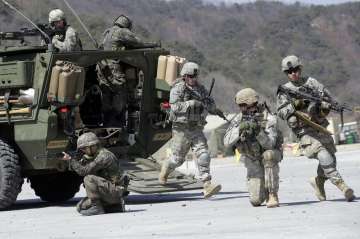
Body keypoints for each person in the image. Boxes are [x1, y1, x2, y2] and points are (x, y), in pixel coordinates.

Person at [277, 55, 355, 202]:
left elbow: (327, 99)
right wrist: (296, 105)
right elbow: (281, 112)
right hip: (304, 131)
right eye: (289, 71)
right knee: (323, 155)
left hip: (320, 126)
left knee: (330, 158)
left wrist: (328, 105)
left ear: (300, 69)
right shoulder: (284, 91)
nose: (293, 73)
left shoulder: (312, 83)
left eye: (295, 69)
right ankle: (343, 187)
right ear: (286, 73)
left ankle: (319, 181)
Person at [158, 62, 222, 199]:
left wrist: (209, 106)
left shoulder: (201, 89)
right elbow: (174, 107)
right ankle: (166, 168)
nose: (194, 79)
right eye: (191, 76)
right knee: (177, 160)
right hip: (181, 129)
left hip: (196, 127)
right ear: (185, 76)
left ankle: (207, 184)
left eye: (195, 76)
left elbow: (211, 103)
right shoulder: (178, 88)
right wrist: (190, 104)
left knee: (203, 153)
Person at [224, 88, 283, 207]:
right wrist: (239, 129)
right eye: (240, 105)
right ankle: (262, 189)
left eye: (243, 105)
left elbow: (270, 144)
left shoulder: (269, 118)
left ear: (252, 103)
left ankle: (272, 194)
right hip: (252, 161)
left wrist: (258, 131)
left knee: (269, 155)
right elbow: (226, 142)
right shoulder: (239, 118)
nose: (241, 108)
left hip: (268, 155)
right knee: (255, 200)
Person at [97, 15, 159, 126]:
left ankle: (107, 119)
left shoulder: (107, 32)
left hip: (102, 66)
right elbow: (138, 42)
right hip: (113, 67)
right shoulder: (122, 32)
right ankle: (116, 119)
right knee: (120, 92)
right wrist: (153, 45)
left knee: (107, 92)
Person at [62, 132, 128, 216]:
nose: (83, 151)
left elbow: (84, 171)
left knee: (89, 178)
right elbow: (80, 167)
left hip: (115, 191)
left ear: (92, 146)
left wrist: (70, 159)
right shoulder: (92, 156)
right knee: (80, 207)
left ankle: (97, 207)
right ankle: (115, 206)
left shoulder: (104, 156)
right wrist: (74, 160)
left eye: (84, 148)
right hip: (107, 191)